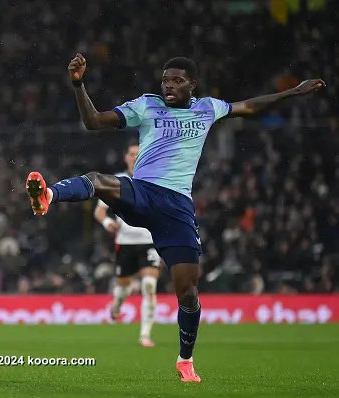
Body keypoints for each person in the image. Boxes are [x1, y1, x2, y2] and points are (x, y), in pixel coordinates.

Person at [26, 53, 325, 382]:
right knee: (98, 179)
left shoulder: (208, 108)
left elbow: (250, 106)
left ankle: (185, 360)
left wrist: (292, 92)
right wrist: (78, 84)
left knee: (188, 293)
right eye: (166, 79)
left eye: (177, 80)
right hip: (143, 193)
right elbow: (94, 121)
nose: (169, 85)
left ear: (192, 85)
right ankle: (49, 195)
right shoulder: (147, 106)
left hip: (177, 209)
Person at [94, 140, 161, 347]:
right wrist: (107, 223)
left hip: (149, 241)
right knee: (124, 287)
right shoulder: (117, 181)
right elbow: (99, 211)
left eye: (138, 154)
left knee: (149, 285)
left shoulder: (154, 180)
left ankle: (145, 334)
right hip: (125, 242)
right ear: (126, 157)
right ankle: (118, 302)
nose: (135, 157)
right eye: (131, 154)